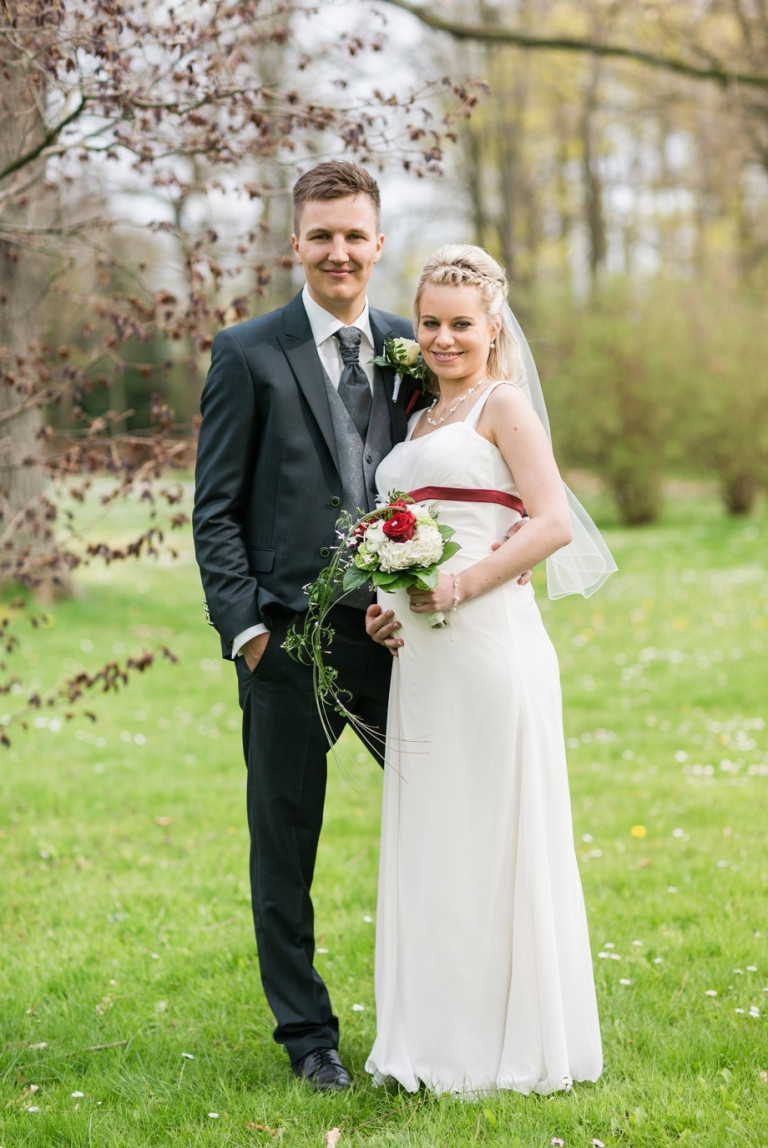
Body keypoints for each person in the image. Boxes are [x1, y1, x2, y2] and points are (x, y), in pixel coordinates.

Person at [192, 161, 422, 1091]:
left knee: (443, 818)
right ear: (296, 244)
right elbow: (214, 509)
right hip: (286, 645)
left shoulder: (414, 347)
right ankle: (309, 1038)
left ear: (377, 241)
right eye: (321, 235)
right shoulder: (247, 352)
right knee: (284, 844)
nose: (339, 251)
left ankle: (439, 1013)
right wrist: (247, 632)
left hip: (397, 641)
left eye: (354, 234)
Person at [364, 244, 611, 1096]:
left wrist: (461, 585)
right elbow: (409, 537)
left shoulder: (504, 408)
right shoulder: (419, 423)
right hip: (422, 660)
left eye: (460, 324)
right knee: (436, 840)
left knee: (491, 837)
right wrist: (384, 603)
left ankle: (502, 1045)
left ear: (492, 324)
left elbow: (550, 524)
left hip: (490, 647)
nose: (441, 338)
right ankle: (430, 1042)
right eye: (429, 322)